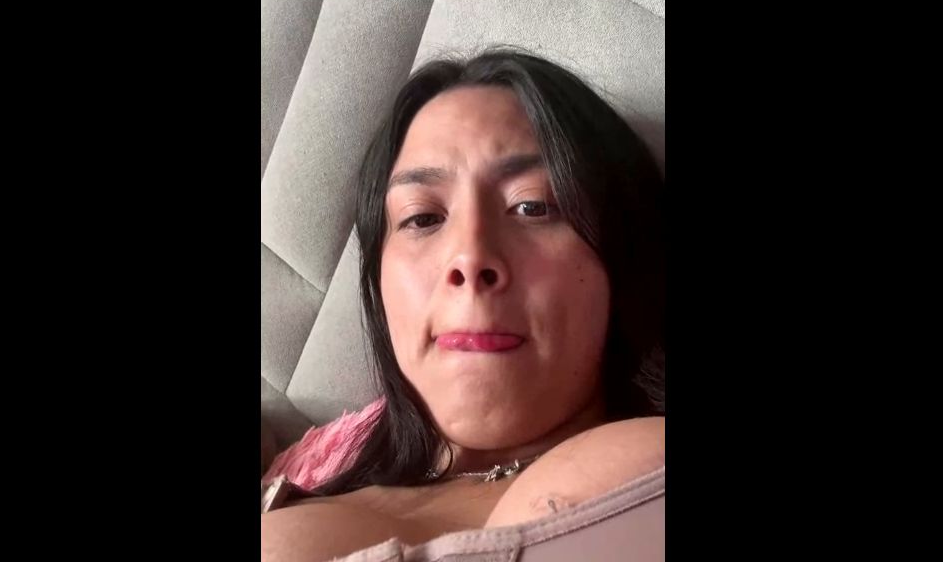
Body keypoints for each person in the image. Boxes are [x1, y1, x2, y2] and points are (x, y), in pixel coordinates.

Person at [261, 50, 665, 562]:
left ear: (622, 254)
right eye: (423, 217)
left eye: (533, 206)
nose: (470, 257)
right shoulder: (312, 466)